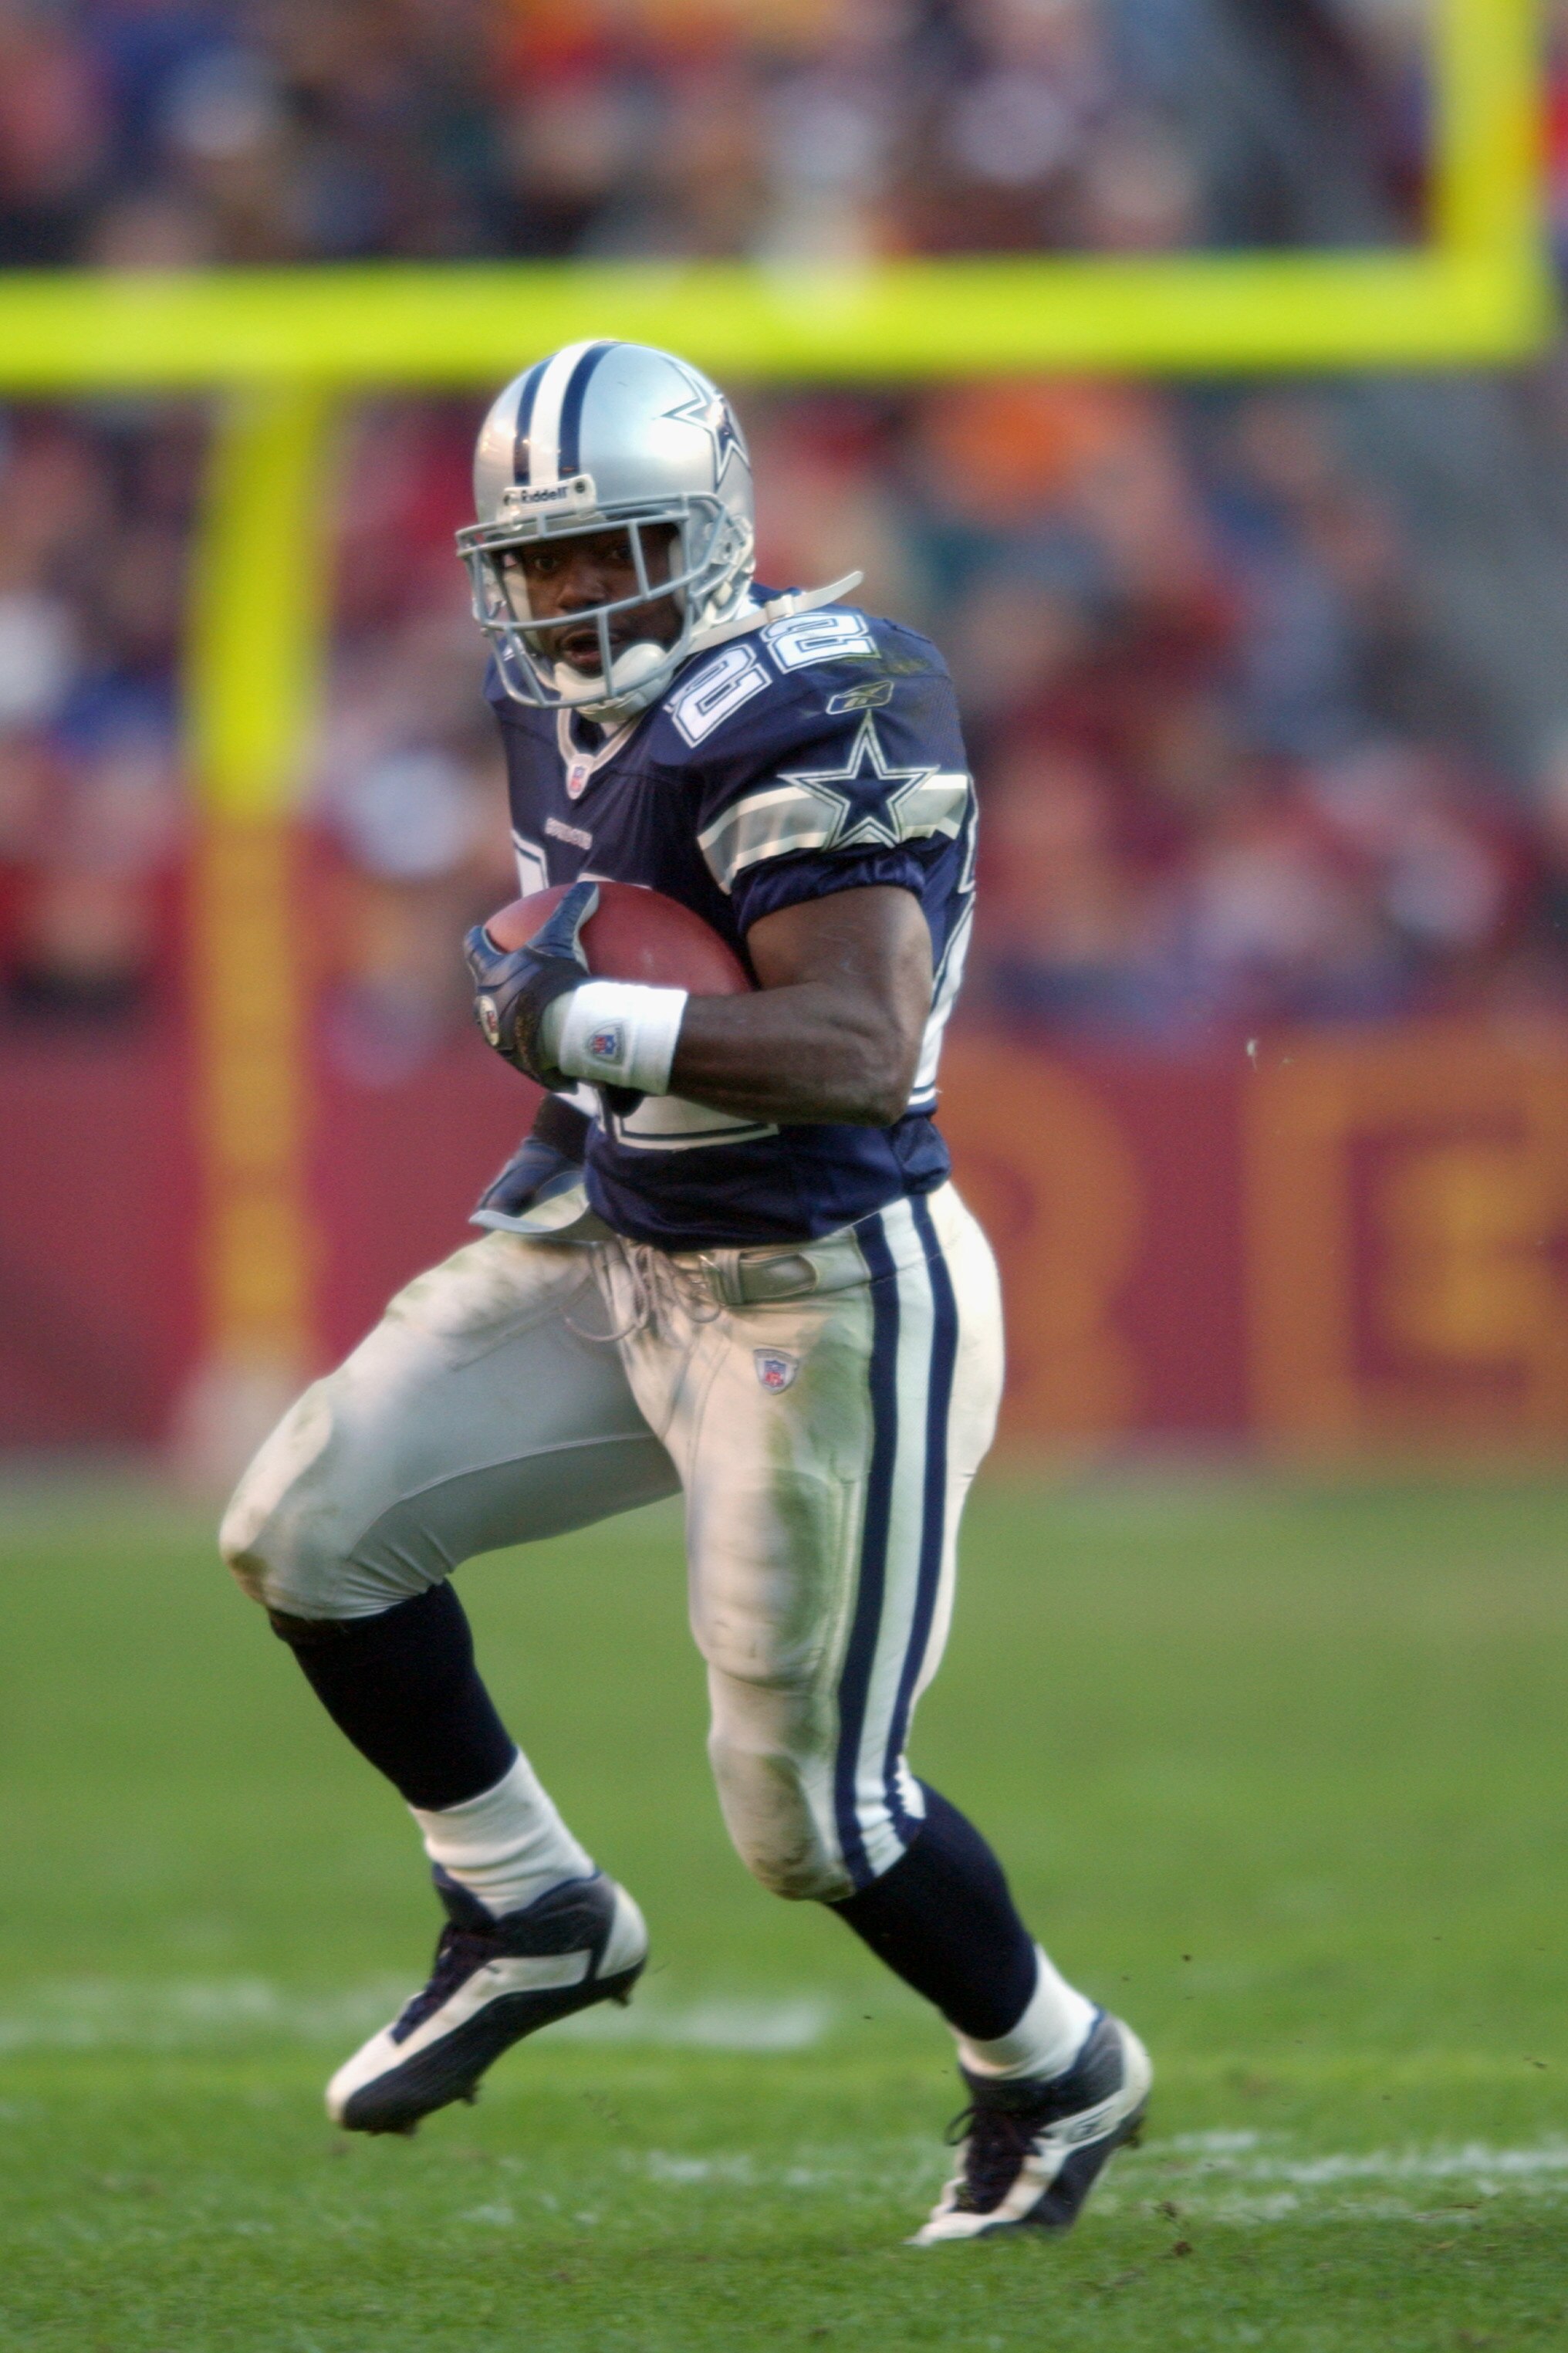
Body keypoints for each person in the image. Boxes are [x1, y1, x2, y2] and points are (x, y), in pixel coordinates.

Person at [220, 340, 1150, 2244]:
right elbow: (612, 944)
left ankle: (1053, 2064)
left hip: (823, 1287)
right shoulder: (538, 698)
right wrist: (572, 1101)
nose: (571, 598)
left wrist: (584, 1027)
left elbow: (857, 1046)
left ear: (714, 529)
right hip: (623, 1237)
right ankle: (526, 1901)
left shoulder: (825, 699)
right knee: (305, 1524)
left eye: (609, 551)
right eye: (537, 562)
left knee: (809, 1818)